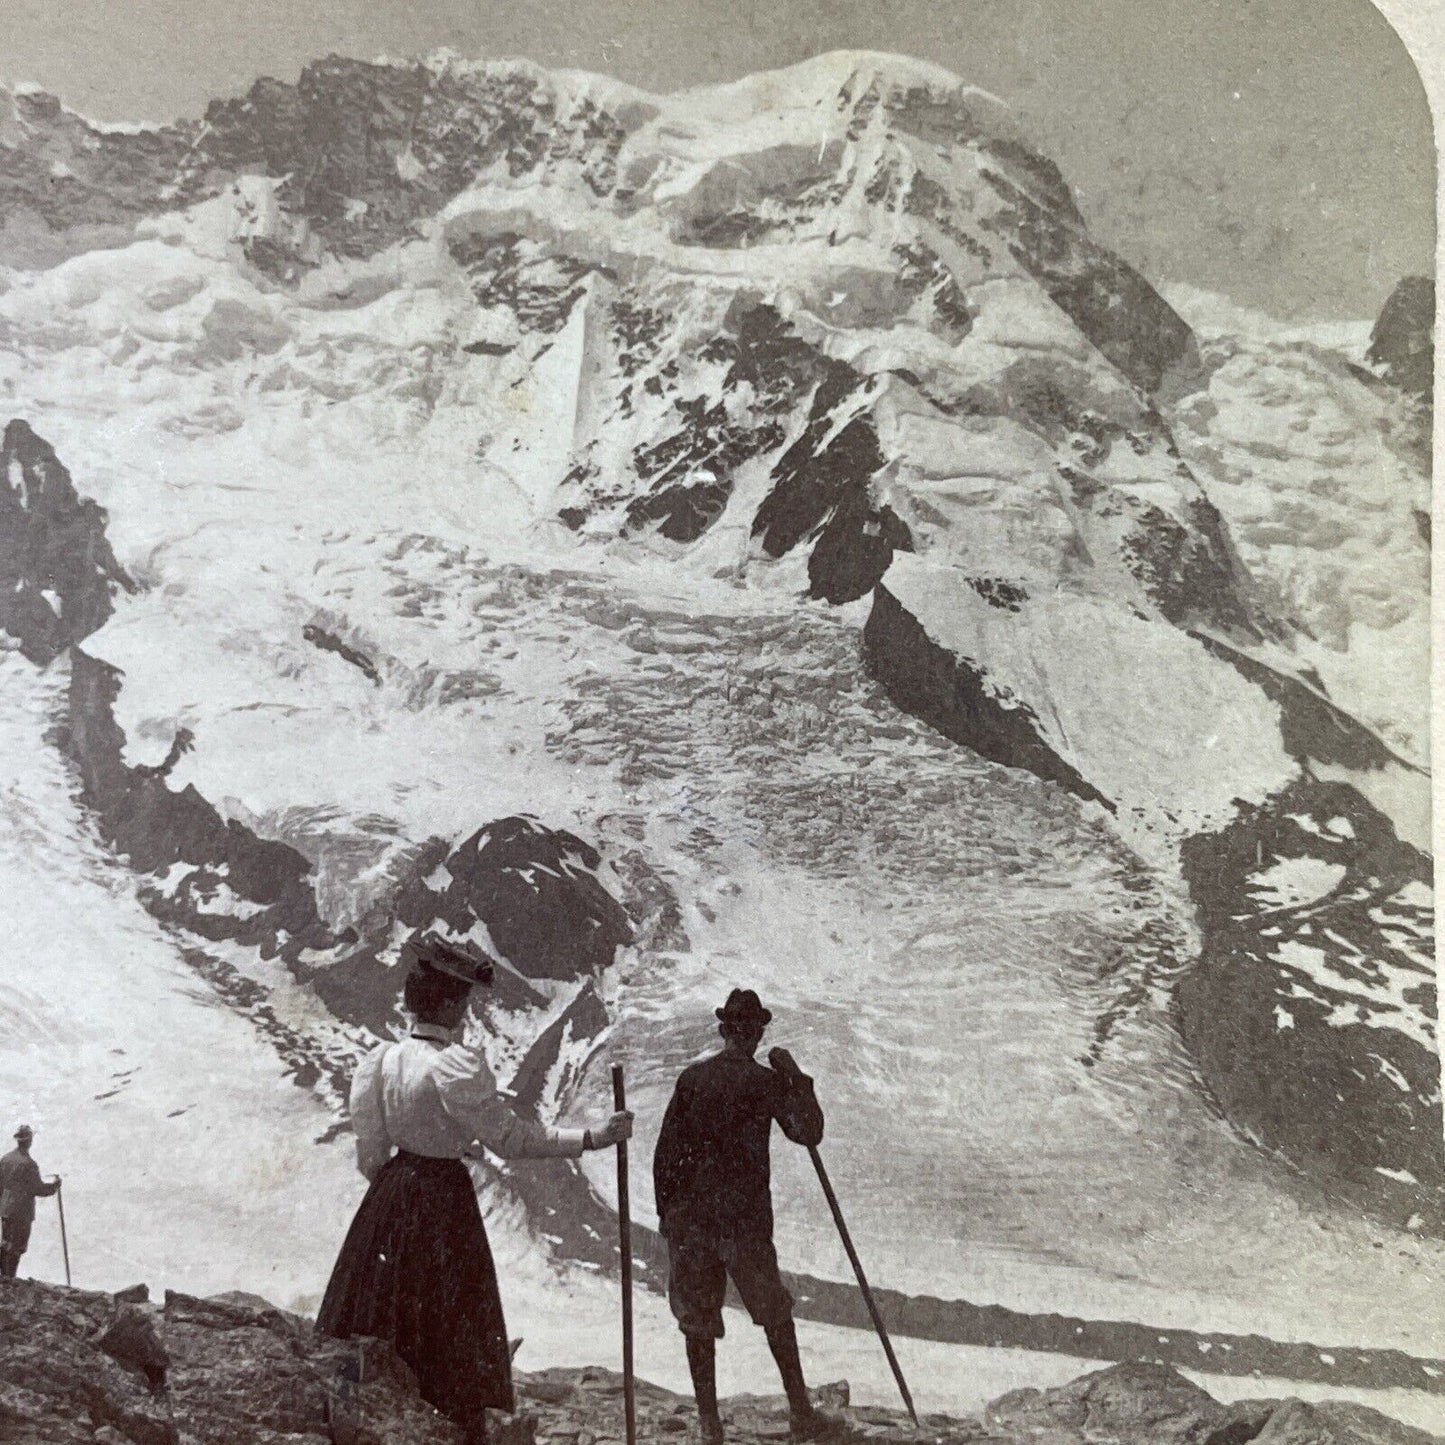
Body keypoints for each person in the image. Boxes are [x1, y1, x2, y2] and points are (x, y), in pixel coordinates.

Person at [317, 931, 633, 1445]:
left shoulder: (381, 1061)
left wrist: (394, 1198)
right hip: (443, 1197)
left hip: (393, 1193)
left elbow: (370, 1153)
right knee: (453, 1320)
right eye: (462, 1001)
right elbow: (510, 1138)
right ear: (449, 1006)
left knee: (380, 1316)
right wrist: (593, 1137)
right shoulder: (453, 1067)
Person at [653, 989, 837, 1444]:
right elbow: (807, 1132)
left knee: (697, 1320)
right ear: (755, 1033)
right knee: (774, 1312)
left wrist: (668, 1215)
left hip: (693, 1224)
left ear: (722, 1031)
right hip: (744, 1223)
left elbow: (665, 1155)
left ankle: (710, 1426)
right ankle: (801, 1413)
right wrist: (798, 1080)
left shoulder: (692, 1079)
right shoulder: (765, 1083)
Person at [0, 1124, 60, 1279]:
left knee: (5, 1243)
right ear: (29, 1141)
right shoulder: (29, 1164)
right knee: (17, 1246)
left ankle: (4, 1278)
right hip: (22, 1212)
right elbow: (37, 1189)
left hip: (6, 1208)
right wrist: (54, 1186)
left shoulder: (5, 1159)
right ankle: (10, 1279)